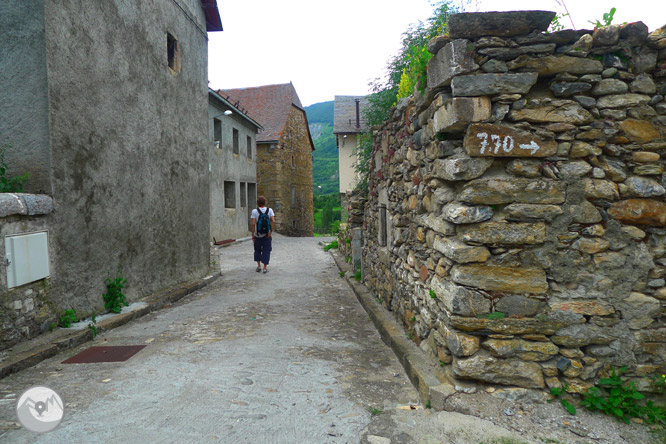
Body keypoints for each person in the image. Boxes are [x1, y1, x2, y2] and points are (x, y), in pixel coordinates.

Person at [250, 196, 275, 274]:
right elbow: (273, 221)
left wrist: (253, 234)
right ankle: (265, 268)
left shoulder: (254, 211)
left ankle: (258, 266)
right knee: (266, 250)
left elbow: (253, 224)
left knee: (257, 250)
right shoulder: (270, 210)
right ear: (265, 202)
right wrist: (270, 232)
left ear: (257, 203)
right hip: (267, 235)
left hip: (257, 235)